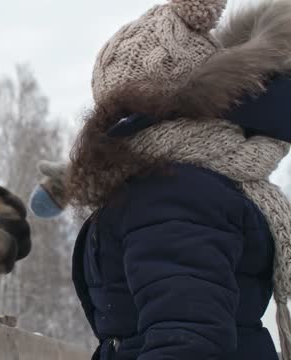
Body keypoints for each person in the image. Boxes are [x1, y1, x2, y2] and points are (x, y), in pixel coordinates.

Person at [31, 0, 291, 359]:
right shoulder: (188, 184)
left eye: (121, 111)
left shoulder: (173, 195)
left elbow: (186, 340)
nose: (106, 133)